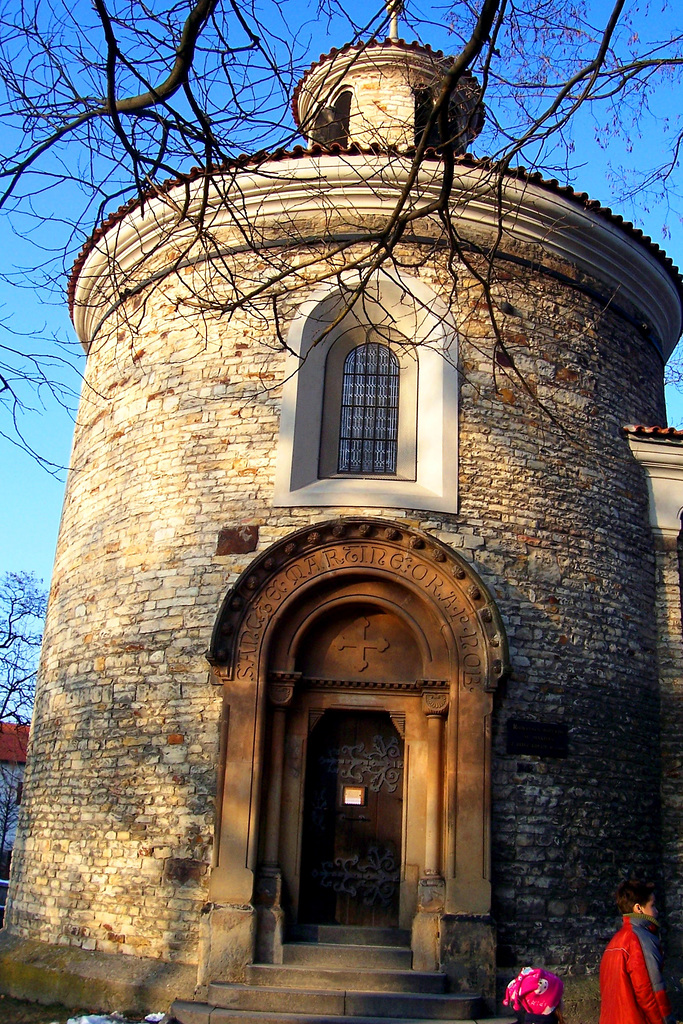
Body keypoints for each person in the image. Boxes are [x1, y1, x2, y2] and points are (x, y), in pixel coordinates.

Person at [600, 878, 675, 1024]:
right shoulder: (640, 940)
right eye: (652, 906)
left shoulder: (614, 942)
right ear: (638, 908)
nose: (656, 911)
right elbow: (650, 991)